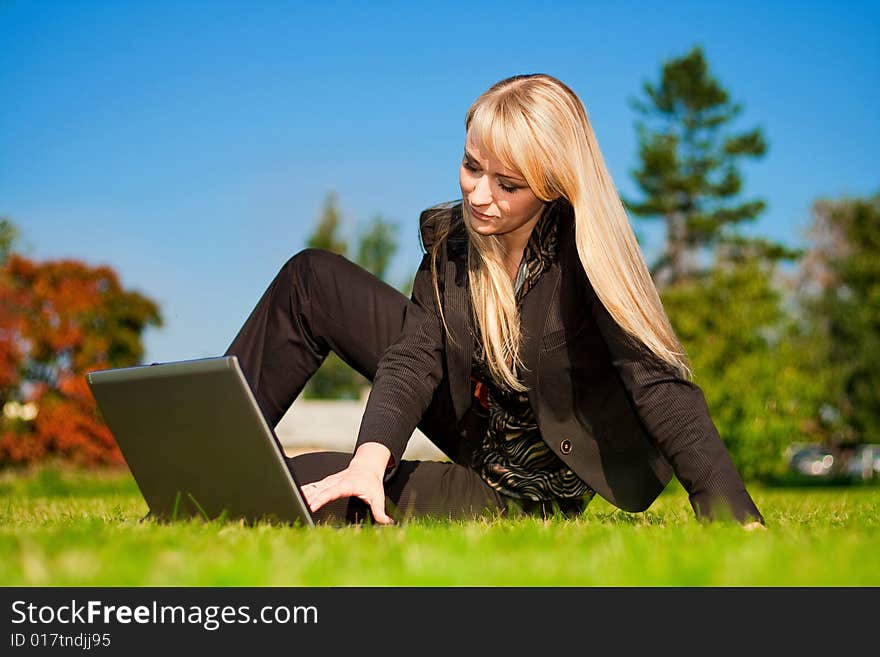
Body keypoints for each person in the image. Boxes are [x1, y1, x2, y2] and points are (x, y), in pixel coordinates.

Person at [224, 73, 765, 529]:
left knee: (292, 484)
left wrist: (735, 518)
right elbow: (414, 357)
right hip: (471, 420)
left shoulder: (587, 256)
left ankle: (219, 487)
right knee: (311, 278)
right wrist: (370, 459)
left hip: (523, 485)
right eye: (471, 167)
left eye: (508, 184)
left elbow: (658, 386)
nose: (479, 195)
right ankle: (206, 453)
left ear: (552, 185)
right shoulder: (450, 242)